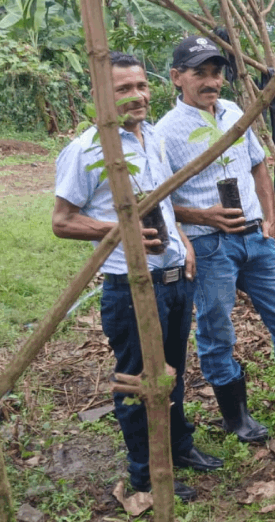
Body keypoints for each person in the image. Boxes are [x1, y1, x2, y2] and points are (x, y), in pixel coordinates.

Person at [52, 52, 222, 501]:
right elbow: (62, 220)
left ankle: (180, 448)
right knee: (138, 380)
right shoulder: (87, 149)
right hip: (131, 287)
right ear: (102, 97)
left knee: (174, 372)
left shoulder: (153, 139)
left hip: (173, 280)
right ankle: (145, 474)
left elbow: (163, 204)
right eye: (123, 89)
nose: (137, 96)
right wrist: (121, 231)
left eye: (141, 86)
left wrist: (183, 243)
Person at [156, 35, 275, 445]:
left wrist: (269, 217)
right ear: (177, 78)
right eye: (200, 73)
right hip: (211, 245)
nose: (211, 81)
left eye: (216, 73)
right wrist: (203, 216)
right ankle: (236, 417)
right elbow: (157, 201)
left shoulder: (233, 111)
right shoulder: (164, 132)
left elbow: (257, 166)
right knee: (217, 331)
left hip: (256, 240)